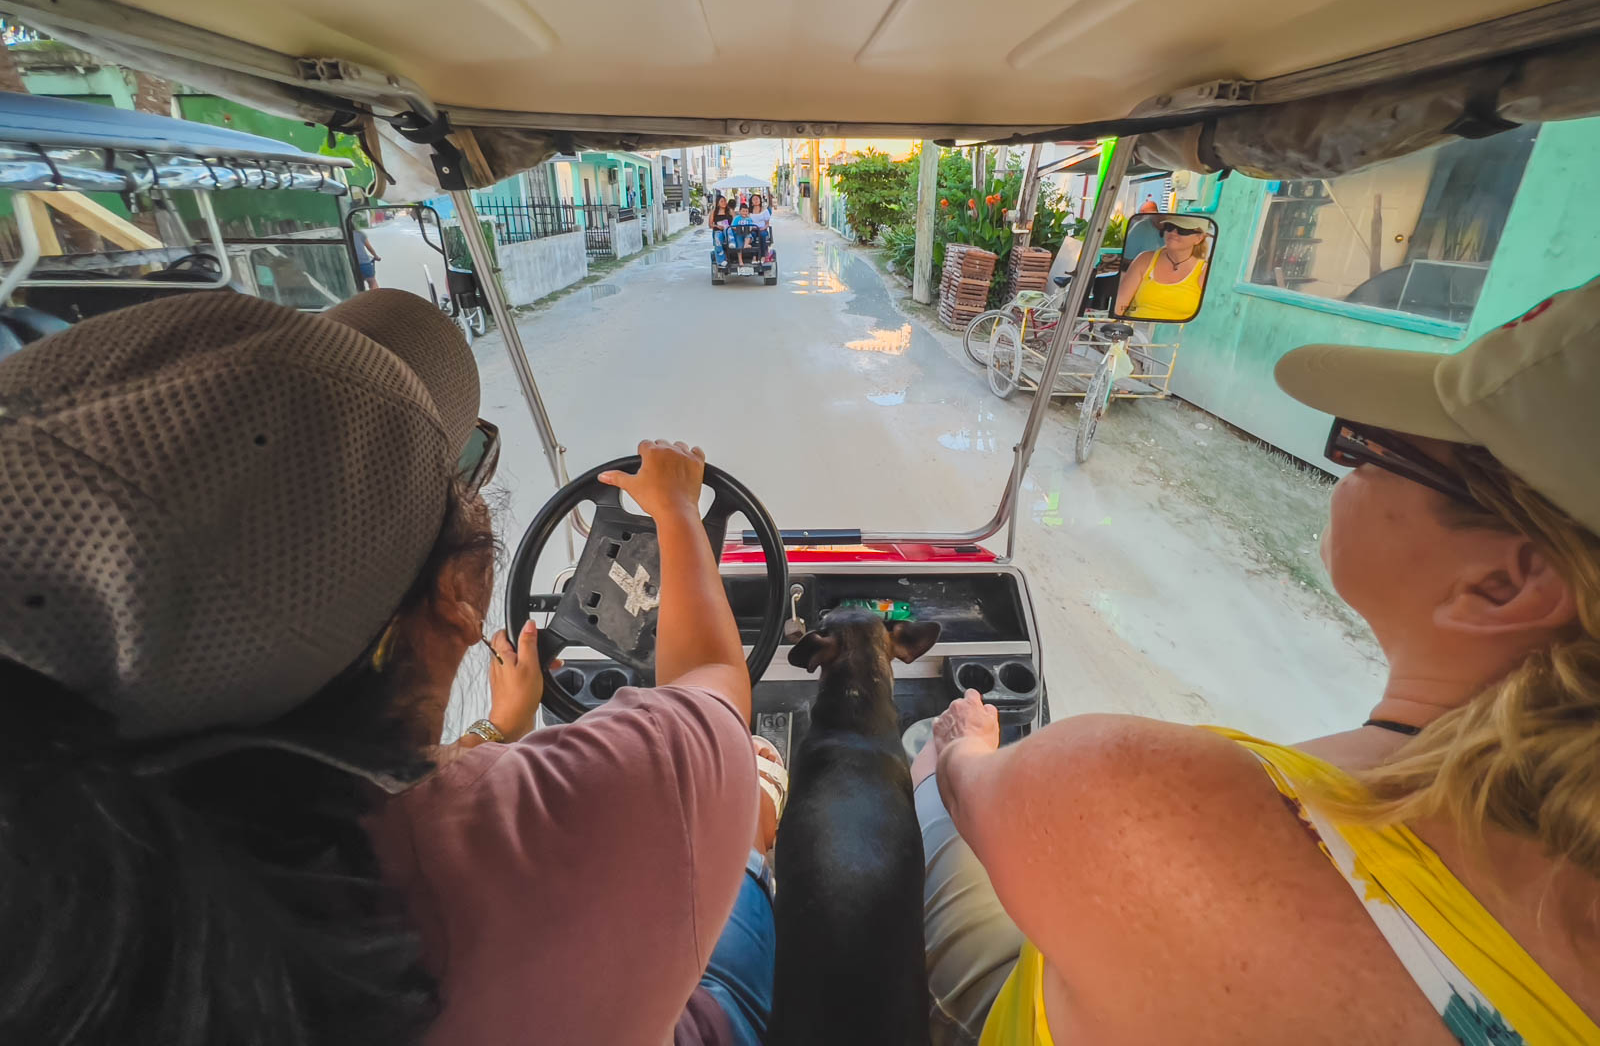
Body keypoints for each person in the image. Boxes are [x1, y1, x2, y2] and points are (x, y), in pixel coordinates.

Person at [0, 288, 774, 1046]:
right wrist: (676, 509)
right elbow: (712, 681)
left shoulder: (59, 897)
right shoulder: (581, 813)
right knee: (753, 812)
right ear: (458, 597)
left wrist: (498, 727)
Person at [913, 275, 1600, 1045]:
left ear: (1501, 584)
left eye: (1369, 449)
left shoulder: (1156, 799)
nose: (1350, 466)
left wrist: (963, 747)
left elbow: (977, 794)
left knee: (931, 780)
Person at [1113, 213, 1209, 320]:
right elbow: (1119, 305)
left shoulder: (1205, 271)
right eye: (1169, 227)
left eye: (1183, 230)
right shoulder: (1144, 260)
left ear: (1199, 238)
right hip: (1137, 332)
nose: (1173, 233)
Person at [353, 223, 382, 289]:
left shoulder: (341, 235)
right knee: (372, 282)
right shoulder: (359, 234)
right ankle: (376, 297)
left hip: (350, 265)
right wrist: (376, 256)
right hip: (364, 264)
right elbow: (369, 248)